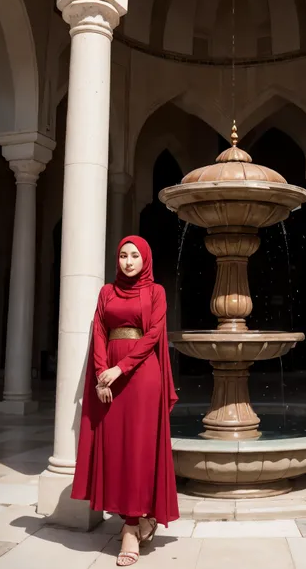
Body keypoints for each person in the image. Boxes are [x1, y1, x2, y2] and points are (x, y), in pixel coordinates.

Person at [71, 236, 179, 566]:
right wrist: (102, 374)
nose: (128, 261)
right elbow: (101, 332)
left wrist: (120, 368)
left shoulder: (156, 292)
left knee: (139, 451)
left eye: (134, 256)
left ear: (144, 259)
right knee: (116, 450)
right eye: (122, 255)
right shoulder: (107, 292)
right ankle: (136, 518)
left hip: (142, 376)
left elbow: (153, 336)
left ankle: (131, 528)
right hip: (111, 378)